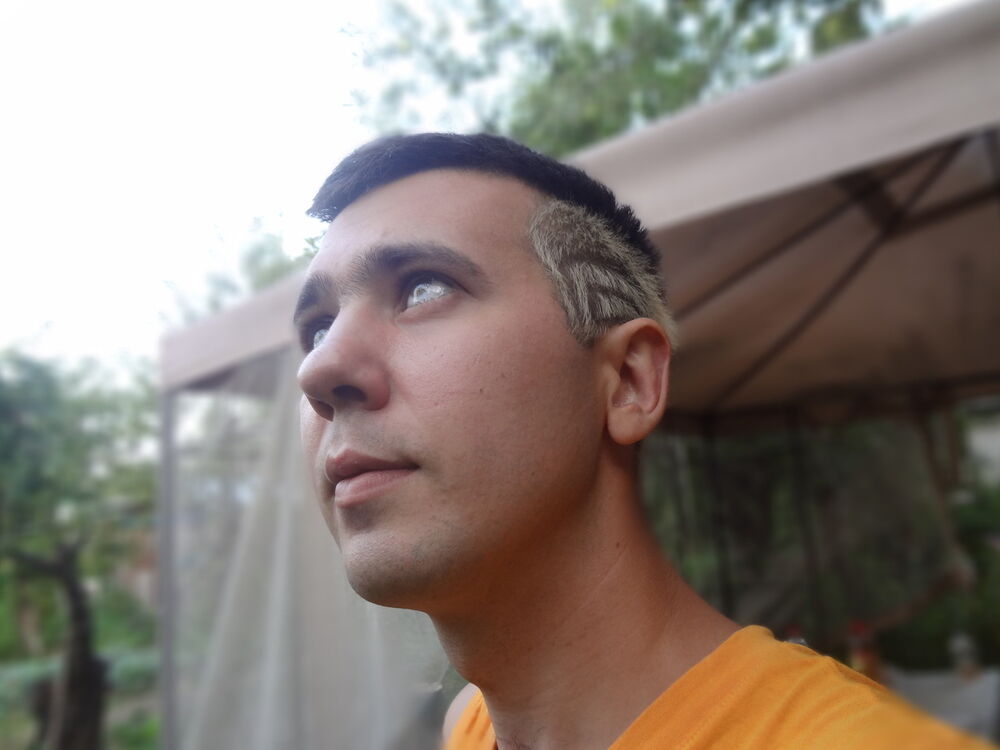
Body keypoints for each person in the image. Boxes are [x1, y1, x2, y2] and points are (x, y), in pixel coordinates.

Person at [294, 133, 992, 749]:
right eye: (317, 327)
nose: (318, 370)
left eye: (423, 288)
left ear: (628, 380)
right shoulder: (469, 728)